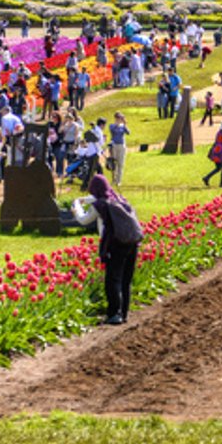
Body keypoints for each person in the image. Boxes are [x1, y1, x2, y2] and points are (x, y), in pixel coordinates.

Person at [89, 173, 142, 324]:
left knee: (113, 279)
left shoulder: (101, 205)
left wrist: (76, 207)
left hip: (117, 244)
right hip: (132, 242)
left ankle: (114, 314)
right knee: (126, 280)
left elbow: (84, 219)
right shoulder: (119, 199)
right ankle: (124, 313)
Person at [204, 123, 222, 188]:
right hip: (219, 153)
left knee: (218, 168)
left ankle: (206, 177)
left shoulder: (219, 133)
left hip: (215, 151)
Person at [107, 112, 129, 186]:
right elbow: (112, 131)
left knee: (120, 163)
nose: (119, 119)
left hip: (121, 145)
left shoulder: (123, 126)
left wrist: (125, 124)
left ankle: (119, 180)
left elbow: (128, 132)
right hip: (114, 145)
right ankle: (114, 179)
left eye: (120, 118)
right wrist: (117, 124)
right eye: (117, 118)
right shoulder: (112, 126)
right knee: (114, 163)